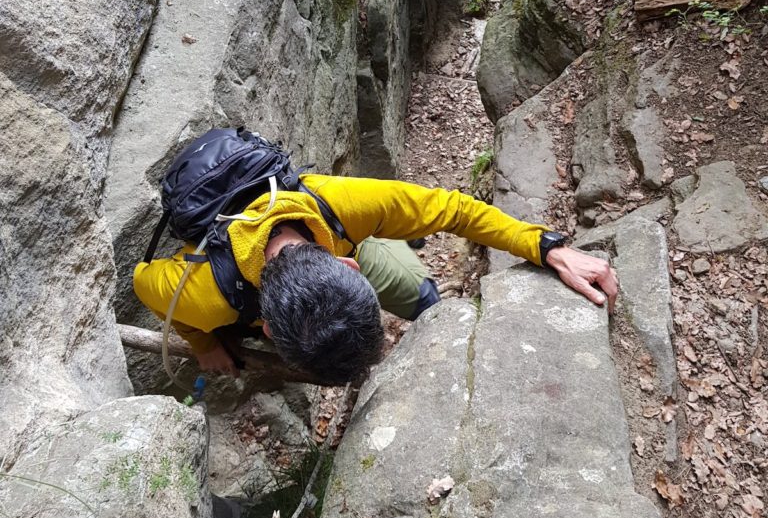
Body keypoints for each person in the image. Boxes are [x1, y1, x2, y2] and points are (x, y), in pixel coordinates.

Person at [134, 174, 617, 384]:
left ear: (350, 266)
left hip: (342, 234)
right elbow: (140, 279)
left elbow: (453, 209)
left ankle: (422, 291)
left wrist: (548, 247)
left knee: (421, 294)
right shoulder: (201, 297)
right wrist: (200, 340)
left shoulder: (347, 203)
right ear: (265, 329)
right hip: (238, 274)